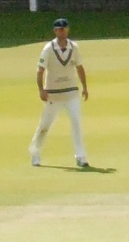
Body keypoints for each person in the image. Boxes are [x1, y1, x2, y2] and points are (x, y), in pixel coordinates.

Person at [29, 18, 89, 168]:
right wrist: (41, 89)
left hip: (71, 93)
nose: (62, 32)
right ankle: (35, 153)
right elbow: (40, 71)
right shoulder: (48, 49)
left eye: (64, 29)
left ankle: (81, 157)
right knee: (45, 125)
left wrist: (84, 87)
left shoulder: (73, 47)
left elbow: (79, 67)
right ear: (55, 31)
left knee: (76, 123)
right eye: (59, 29)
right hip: (53, 95)